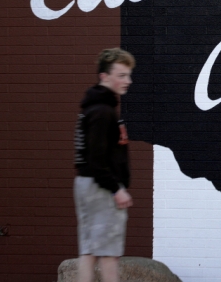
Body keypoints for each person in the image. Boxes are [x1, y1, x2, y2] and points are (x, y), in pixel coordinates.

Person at [74, 48, 135, 282]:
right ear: (104, 76)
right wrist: (116, 189)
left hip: (87, 184)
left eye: (128, 75)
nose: (127, 81)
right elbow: (96, 160)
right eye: (121, 75)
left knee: (89, 251)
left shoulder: (93, 107)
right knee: (109, 254)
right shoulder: (102, 112)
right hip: (101, 189)